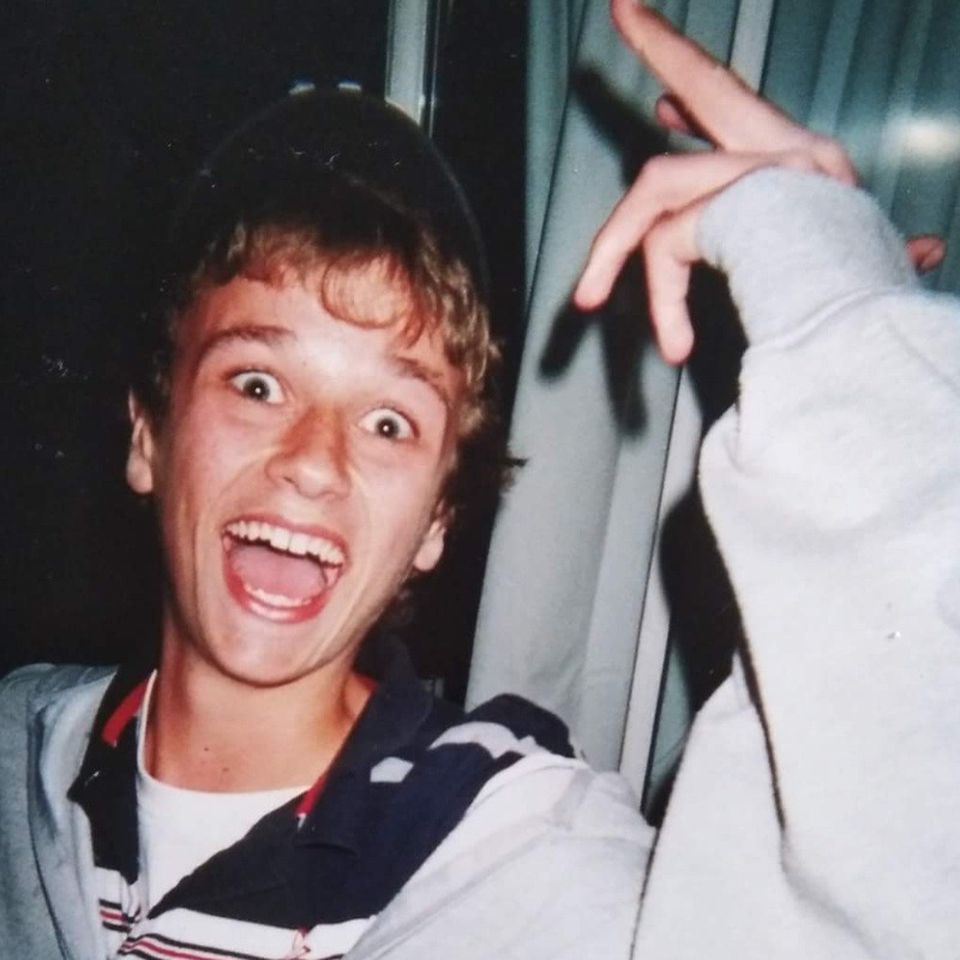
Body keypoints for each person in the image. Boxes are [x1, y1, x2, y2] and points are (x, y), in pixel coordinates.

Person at [2, 1, 958, 958]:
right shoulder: (20, 749)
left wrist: (845, 345)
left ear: (436, 521)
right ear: (149, 436)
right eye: (258, 384)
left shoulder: (528, 858)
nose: (314, 461)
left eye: (388, 422)